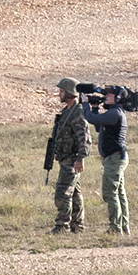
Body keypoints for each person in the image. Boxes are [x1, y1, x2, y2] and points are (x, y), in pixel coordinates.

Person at [82, 89, 130, 234]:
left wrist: (86, 105)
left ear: (118, 97)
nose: (106, 96)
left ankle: (115, 228)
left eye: (110, 94)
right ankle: (123, 226)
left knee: (110, 193)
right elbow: (98, 126)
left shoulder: (115, 113)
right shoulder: (114, 113)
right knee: (119, 193)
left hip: (114, 159)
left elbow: (91, 119)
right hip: (115, 158)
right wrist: (95, 108)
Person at [48, 77, 90, 233]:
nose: (59, 94)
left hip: (72, 160)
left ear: (70, 93)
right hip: (65, 158)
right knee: (75, 194)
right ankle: (77, 226)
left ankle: (62, 226)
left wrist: (81, 158)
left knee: (63, 192)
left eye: (62, 91)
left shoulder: (77, 112)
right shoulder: (67, 112)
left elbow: (84, 138)